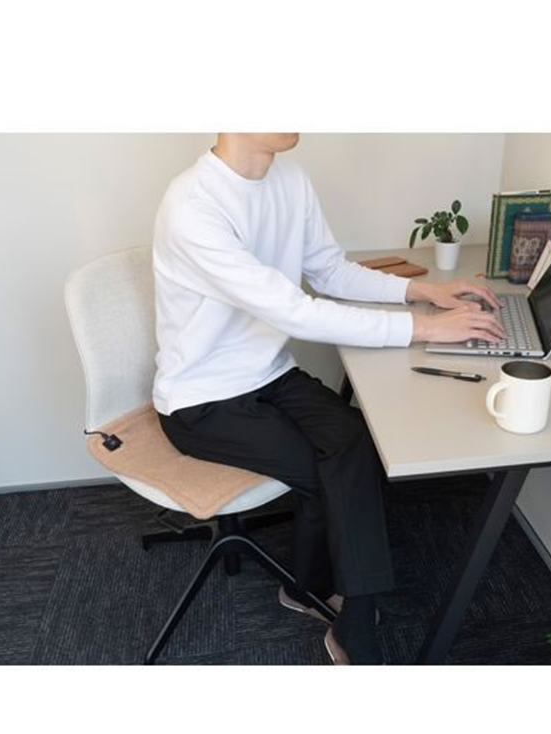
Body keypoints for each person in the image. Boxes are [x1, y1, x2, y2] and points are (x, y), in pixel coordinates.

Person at [152, 133, 504, 665]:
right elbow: (293, 311)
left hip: (270, 374)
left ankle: (314, 589)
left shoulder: (290, 178)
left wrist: (421, 292)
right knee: (330, 477)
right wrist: (426, 328)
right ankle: (342, 613)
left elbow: (328, 270)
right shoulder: (193, 205)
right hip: (202, 398)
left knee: (354, 442)